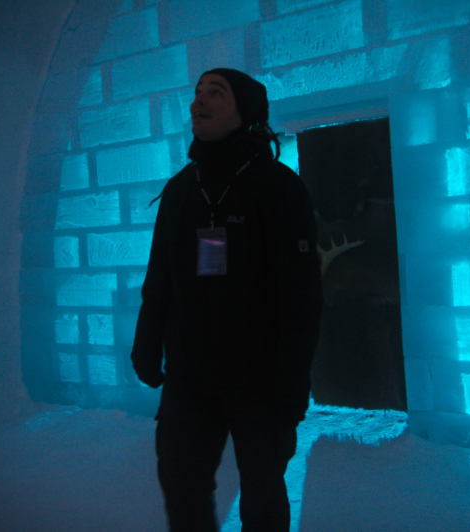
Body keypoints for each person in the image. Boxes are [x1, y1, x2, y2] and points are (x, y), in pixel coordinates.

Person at [130, 68, 323, 532]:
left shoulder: (277, 186)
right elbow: (160, 278)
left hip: (259, 379)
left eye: (215, 93)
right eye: (197, 93)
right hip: (189, 375)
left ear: (245, 111)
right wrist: (146, 343)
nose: (198, 102)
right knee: (182, 485)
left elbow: (300, 296)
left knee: (262, 495)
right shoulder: (181, 189)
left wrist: (292, 384)